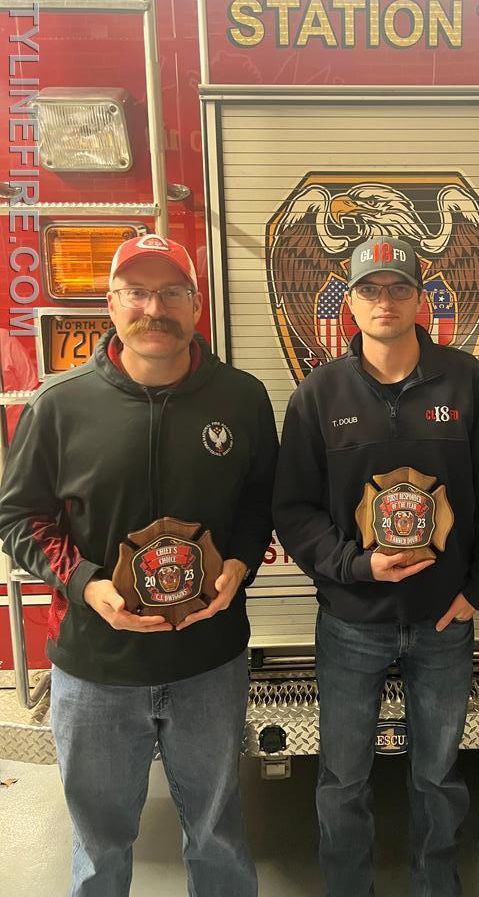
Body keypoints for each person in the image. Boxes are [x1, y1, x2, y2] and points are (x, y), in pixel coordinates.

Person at [0, 233, 278, 897]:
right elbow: (18, 519)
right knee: (100, 848)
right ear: (111, 304)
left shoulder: (242, 399)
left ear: (196, 305)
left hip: (209, 665)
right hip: (97, 673)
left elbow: (260, 504)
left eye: (172, 293)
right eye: (137, 292)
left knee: (218, 837)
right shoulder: (59, 404)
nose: (155, 308)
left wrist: (239, 564)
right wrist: (86, 583)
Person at [273, 235, 479, 897]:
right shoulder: (318, 393)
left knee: (438, 776)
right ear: (349, 301)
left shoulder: (467, 381)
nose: (385, 302)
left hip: (446, 620)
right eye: (369, 289)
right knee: (342, 777)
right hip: (351, 621)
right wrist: (354, 568)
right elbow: (293, 510)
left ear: (422, 297)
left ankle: (436, 887)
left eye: (399, 288)